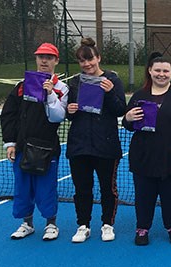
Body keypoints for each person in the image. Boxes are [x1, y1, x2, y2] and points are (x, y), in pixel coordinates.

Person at [122, 52, 171, 246]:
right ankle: (143, 228)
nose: (161, 74)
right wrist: (127, 119)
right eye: (157, 70)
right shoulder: (140, 95)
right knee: (144, 195)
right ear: (150, 71)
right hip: (144, 156)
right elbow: (129, 124)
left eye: (165, 71)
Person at [0, 42, 68, 241]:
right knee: (22, 187)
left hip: (48, 147)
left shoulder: (61, 88)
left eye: (49, 57)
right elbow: (9, 115)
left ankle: (51, 224)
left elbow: (58, 117)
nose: (44, 60)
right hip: (23, 146)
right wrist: (10, 143)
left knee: (46, 188)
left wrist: (49, 94)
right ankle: (27, 223)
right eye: (41, 57)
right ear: (36, 59)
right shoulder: (22, 87)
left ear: (56, 61)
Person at [65, 37, 126, 243]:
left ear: (98, 58)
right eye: (82, 61)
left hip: (106, 145)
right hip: (79, 145)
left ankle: (107, 224)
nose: (87, 64)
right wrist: (70, 111)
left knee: (107, 188)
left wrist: (109, 93)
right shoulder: (74, 82)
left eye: (90, 59)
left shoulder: (113, 80)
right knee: (82, 188)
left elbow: (120, 110)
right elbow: (70, 112)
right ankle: (83, 225)